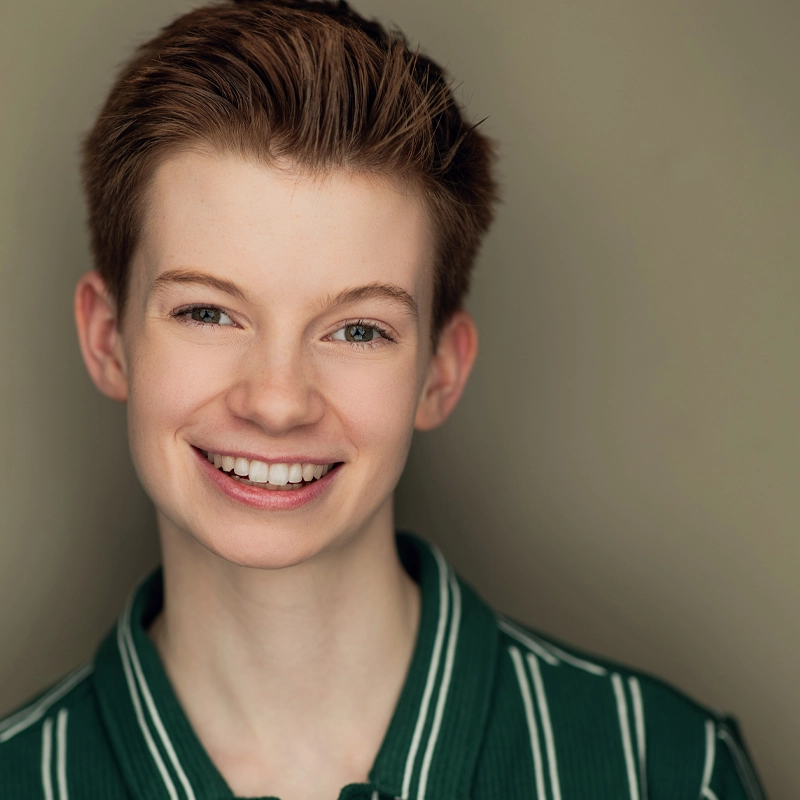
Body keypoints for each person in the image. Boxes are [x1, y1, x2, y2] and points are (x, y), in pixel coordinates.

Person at [0, 1, 767, 798]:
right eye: (207, 312)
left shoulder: (665, 768)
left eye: (358, 330)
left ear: (439, 370)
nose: (277, 399)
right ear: (106, 338)